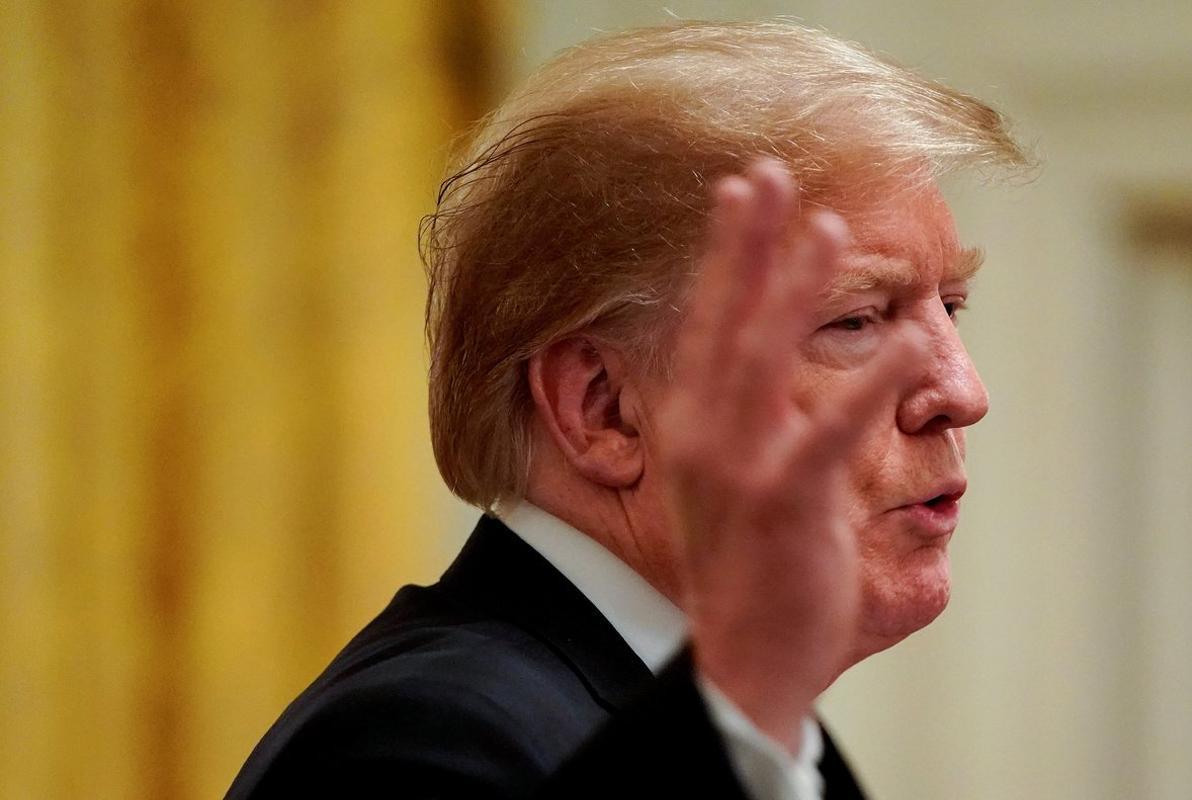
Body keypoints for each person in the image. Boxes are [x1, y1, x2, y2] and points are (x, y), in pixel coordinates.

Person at [227, 19, 1029, 800]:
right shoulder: (419, 745)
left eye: (949, 307)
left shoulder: (753, 743)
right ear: (603, 411)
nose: (962, 394)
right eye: (856, 319)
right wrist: (743, 694)